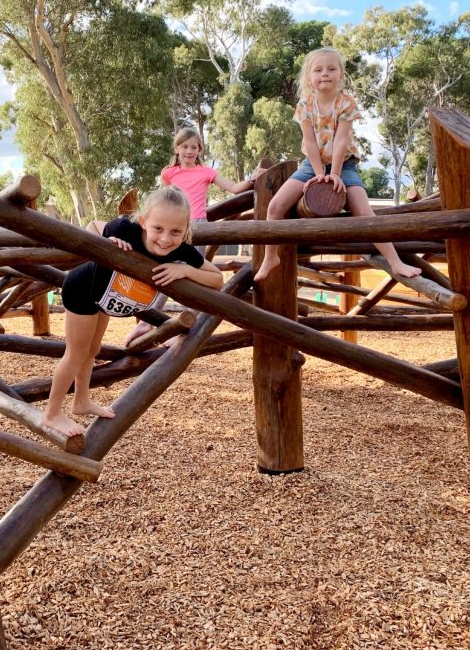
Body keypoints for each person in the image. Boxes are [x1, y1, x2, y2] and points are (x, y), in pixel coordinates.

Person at [42, 186, 224, 437]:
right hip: (83, 289)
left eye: (176, 232)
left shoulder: (181, 250)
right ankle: (51, 414)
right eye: (157, 229)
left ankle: (81, 401)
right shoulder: (123, 229)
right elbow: (94, 225)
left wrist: (185, 270)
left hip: (104, 299)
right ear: (143, 222)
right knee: (76, 352)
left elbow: (217, 277)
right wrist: (104, 243)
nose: (165, 238)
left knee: (92, 350)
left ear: (185, 231)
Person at [254, 47, 421, 283]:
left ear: (341, 75)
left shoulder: (346, 103)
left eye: (332, 69)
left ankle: (395, 262)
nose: (325, 74)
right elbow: (309, 142)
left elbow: (341, 140)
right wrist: (320, 174)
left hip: (346, 165)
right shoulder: (305, 105)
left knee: (365, 213)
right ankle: (271, 256)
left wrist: (334, 174)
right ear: (309, 77)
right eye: (318, 69)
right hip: (310, 165)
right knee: (275, 206)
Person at [123, 127, 259, 345]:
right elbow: (165, 200)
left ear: (200, 150)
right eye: (185, 146)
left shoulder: (206, 172)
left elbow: (234, 188)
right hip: (173, 228)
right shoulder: (169, 173)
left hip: (196, 228)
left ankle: (185, 324)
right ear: (177, 148)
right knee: (165, 271)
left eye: (194, 147)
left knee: (193, 275)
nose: (189, 151)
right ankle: (147, 320)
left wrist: (253, 178)